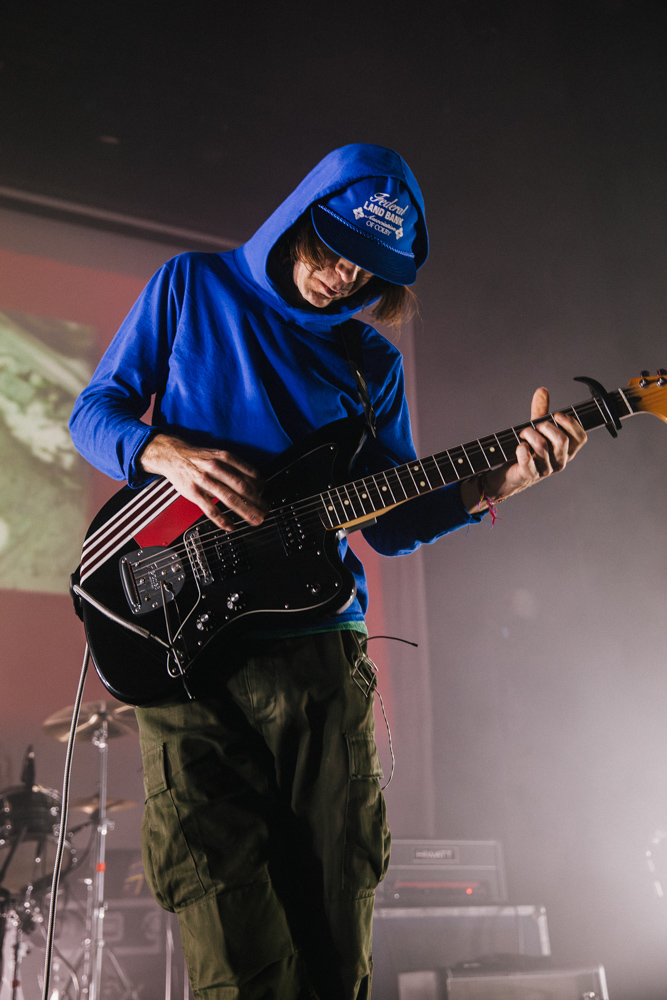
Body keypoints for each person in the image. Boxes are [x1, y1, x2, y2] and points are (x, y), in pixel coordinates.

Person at [69, 143, 586, 999]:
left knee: (333, 942)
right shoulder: (191, 286)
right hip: (186, 655)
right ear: (299, 216)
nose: (345, 277)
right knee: (230, 941)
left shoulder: (369, 362)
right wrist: (160, 451)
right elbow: (96, 411)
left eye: (367, 268)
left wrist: (497, 484)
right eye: (335, 249)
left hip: (317, 659)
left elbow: (394, 523)